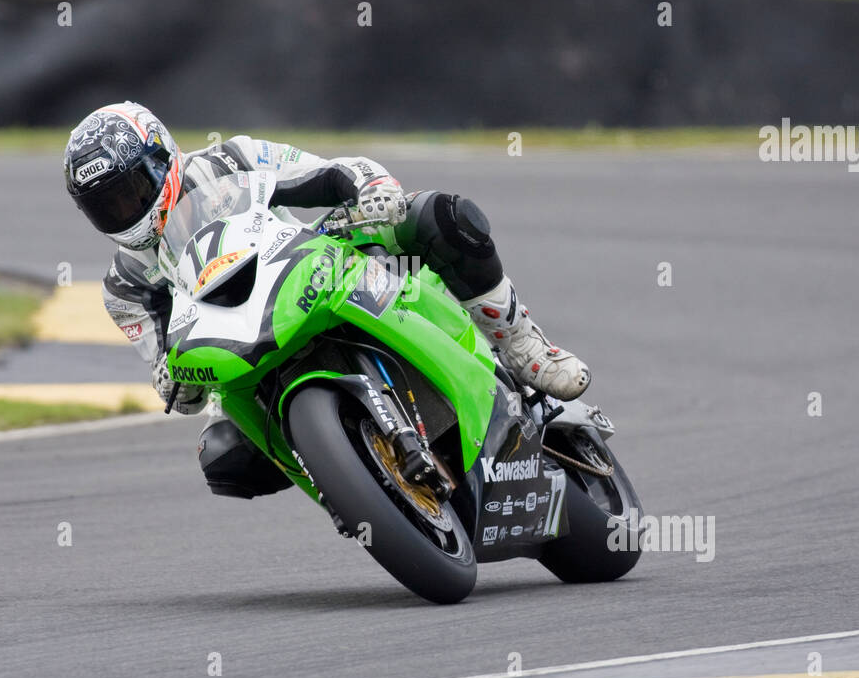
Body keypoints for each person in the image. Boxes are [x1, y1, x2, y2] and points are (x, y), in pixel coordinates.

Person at [63, 102, 590, 497]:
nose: (124, 209)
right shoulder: (125, 288)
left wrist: (370, 189)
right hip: (237, 349)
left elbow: (329, 173)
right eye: (106, 205)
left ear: (162, 159)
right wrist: (174, 382)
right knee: (223, 457)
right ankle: (350, 487)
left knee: (441, 216)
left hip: (322, 263)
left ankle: (522, 344)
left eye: (130, 190)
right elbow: (167, 367)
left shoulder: (230, 159)